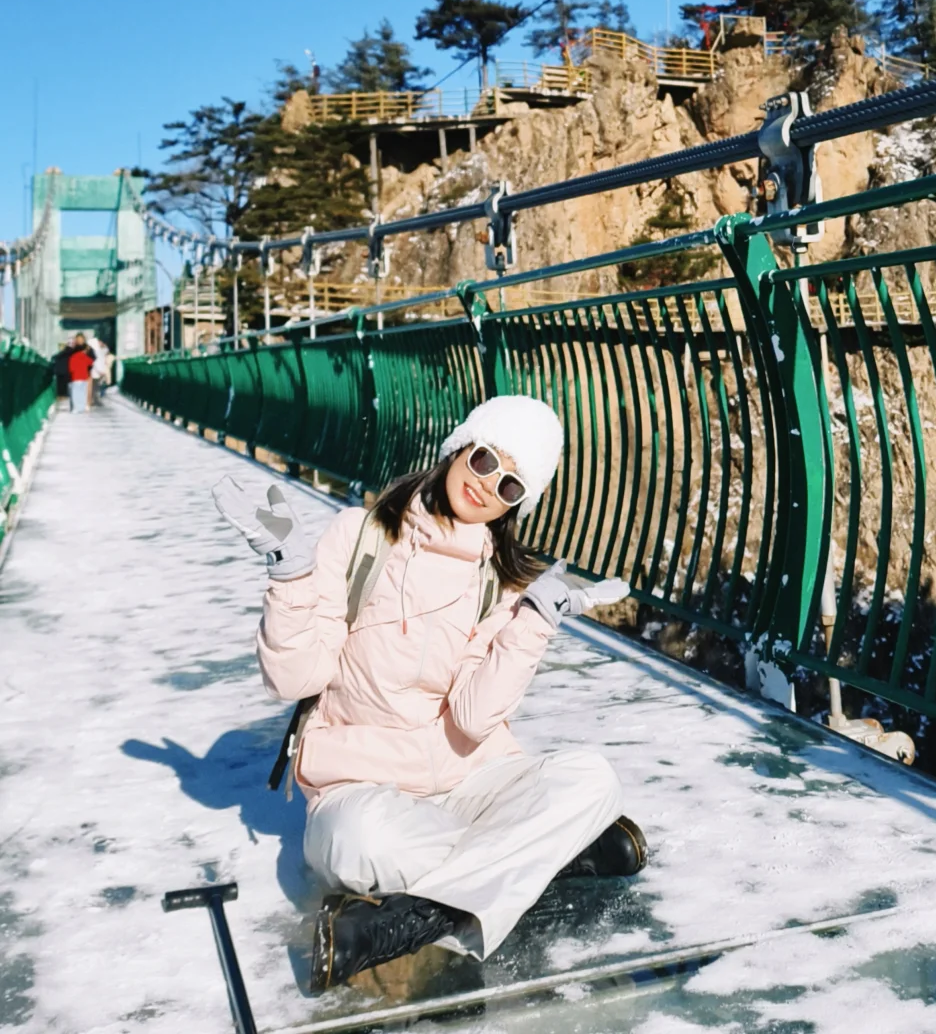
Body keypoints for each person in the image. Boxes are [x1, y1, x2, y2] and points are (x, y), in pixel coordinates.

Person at [214, 395, 644, 992]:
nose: (488, 484)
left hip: (466, 782)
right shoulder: (359, 538)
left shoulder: (499, 581)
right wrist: (288, 571)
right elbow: (295, 678)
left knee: (593, 778)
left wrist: (538, 616)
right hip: (362, 787)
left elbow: (473, 719)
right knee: (353, 844)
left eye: (512, 485)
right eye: (487, 459)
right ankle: (547, 860)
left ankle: (421, 916)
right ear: (459, 446)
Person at [66, 333, 94, 413]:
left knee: (75, 393)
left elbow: (71, 367)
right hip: (84, 376)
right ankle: (82, 407)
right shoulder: (85, 354)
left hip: (75, 377)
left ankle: (76, 408)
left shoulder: (73, 355)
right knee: (82, 393)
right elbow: (91, 362)